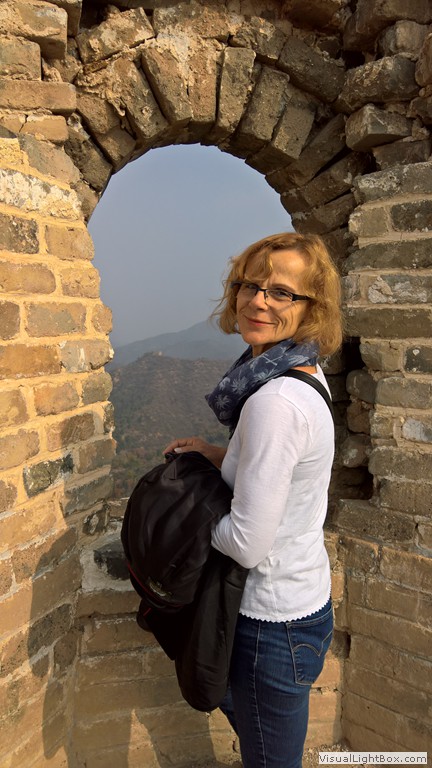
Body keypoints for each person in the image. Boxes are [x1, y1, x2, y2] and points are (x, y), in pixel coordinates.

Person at [163, 232, 343, 768]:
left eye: (281, 292)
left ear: (312, 308)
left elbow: (246, 543)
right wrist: (216, 454)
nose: (258, 301)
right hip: (300, 601)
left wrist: (187, 523)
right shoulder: (300, 372)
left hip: (270, 621)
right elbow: (281, 470)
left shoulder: (276, 401)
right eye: (250, 285)